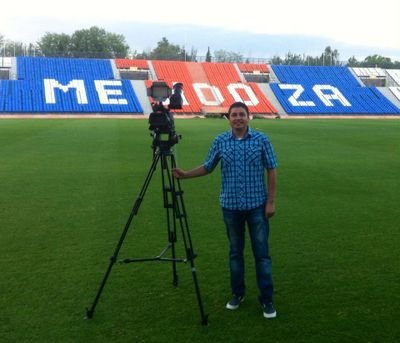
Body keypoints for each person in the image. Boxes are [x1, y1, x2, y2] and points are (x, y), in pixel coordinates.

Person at [172, 101, 278, 319]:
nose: (238, 118)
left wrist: (271, 201)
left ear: (249, 117)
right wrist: (185, 175)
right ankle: (237, 294)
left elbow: (271, 169)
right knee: (235, 254)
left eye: (242, 114)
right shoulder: (220, 141)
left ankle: (266, 299)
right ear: (228, 118)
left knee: (262, 255)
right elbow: (208, 166)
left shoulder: (261, 140)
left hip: (257, 205)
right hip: (230, 207)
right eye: (234, 115)